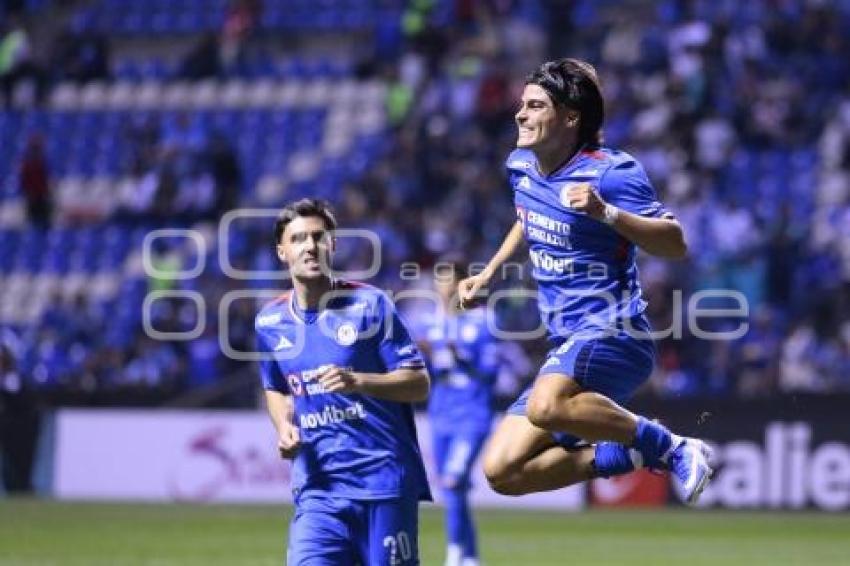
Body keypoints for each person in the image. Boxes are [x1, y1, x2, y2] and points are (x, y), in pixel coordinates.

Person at [457, 58, 714, 505]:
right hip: (567, 342)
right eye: (522, 104)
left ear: (570, 117)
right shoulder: (522, 166)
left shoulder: (612, 172)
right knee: (502, 471)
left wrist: (606, 213)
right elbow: (528, 217)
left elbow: (675, 243)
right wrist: (490, 271)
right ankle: (624, 455)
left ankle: (671, 447)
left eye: (536, 106)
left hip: (615, 332)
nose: (520, 114)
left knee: (545, 405)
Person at [256, 198, 432, 565]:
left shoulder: (371, 305)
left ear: (332, 244)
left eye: (319, 237)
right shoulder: (269, 323)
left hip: (382, 483)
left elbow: (418, 383)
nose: (310, 246)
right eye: (299, 238)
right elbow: (274, 386)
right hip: (318, 489)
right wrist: (283, 426)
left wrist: (358, 381)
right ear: (281, 251)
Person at [414, 259, 499, 566]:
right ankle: (471, 557)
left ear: (465, 283)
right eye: (439, 280)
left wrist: (457, 355)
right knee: (454, 490)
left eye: (449, 279)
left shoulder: (483, 321)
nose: (443, 286)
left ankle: (453, 555)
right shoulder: (428, 323)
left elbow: (490, 373)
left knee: (452, 480)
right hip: (440, 416)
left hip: (472, 415)